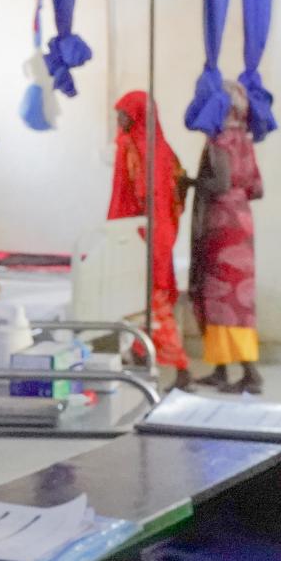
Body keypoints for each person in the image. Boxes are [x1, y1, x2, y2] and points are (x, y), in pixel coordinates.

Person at [108, 90, 191, 390]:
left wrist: (132, 232)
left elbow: (144, 195)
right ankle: (141, 354)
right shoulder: (155, 147)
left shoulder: (138, 148)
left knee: (153, 299)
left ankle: (182, 369)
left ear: (137, 115)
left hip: (143, 234)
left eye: (123, 114)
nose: (118, 119)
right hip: (150, 231)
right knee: (142, 297)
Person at [189, 82, 264, 394]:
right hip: (242, 222)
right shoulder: (245, 140)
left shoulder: (218, 141)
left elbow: (218, 183)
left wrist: (189, 182)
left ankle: (251, 375)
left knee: (221, 299)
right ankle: (221, 370)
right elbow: (258, 189)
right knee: (234, 300)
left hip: (222, 226)